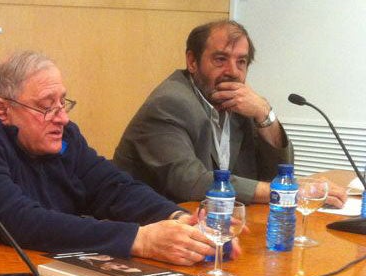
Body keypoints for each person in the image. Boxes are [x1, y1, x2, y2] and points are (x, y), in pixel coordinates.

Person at [0, 50, 227, 267]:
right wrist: (139, 240)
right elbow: (18, 221)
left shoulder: (59, 134)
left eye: (63, 102)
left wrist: (176, 219)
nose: (62, 118)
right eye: (46, 105)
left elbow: (113, 187)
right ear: (2, 110)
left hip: (50, 268)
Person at [113, 20, 348, 207]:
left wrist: (265, 114)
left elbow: (278, 173)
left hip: (214, 224)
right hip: (150, 229)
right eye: (220, 59)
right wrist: (289, 192)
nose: (233, 72)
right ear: (192, 61)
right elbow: (191, 183)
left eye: (241, 62)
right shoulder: (170, 104)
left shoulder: (241, 104)